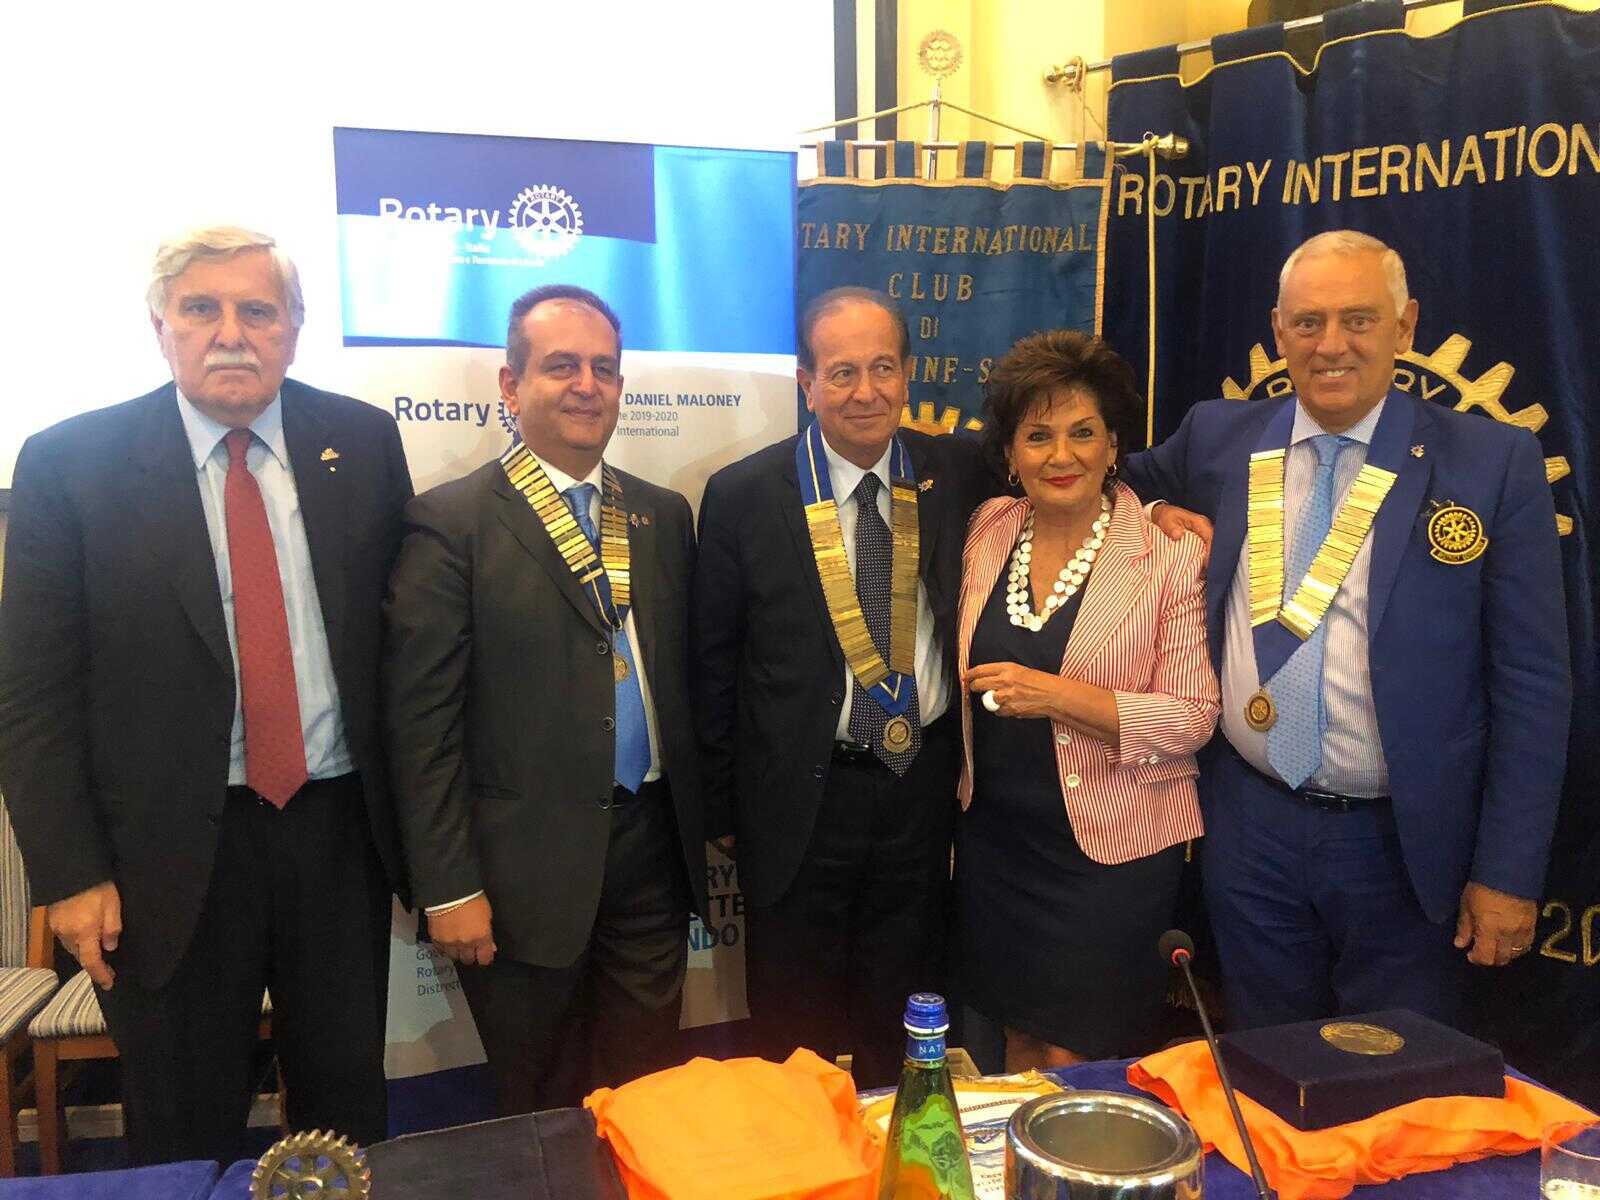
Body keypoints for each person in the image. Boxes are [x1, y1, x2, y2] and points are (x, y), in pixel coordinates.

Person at [0, 227, 411, 1163]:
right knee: (183, 1123)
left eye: (257, 311)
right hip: (162, 858)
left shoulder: (361, 442)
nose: (232, 333)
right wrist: (69, 874)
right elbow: (32, 695)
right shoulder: (70, 462)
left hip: (337, 834)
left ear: (293, 329)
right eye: (202, 309)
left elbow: (398, 651)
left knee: (346, 1109)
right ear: (161, 327)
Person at [1123, 229, 1571, 1029]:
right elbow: (1102, 483)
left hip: (1404, 844)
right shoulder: (1218, 436)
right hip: (1250, 824)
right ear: (1278, 331)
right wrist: (1156, 509)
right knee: (1265, 1060)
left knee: (1396, 1080)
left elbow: (1533, 685)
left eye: (1358, 320)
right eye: (1308, 322)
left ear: (1406, 326)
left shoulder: (1491, 463)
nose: (1331, 345)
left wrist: (1507, 872)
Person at [384, 284, 706, 1115]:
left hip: (651, 851)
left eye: (604, 368)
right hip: (520, 874)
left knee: (645, 1099)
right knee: (541, 1108)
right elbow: (422, 726)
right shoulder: (450, 523)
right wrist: (448, 887)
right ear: (510, 384)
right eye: (562, 366)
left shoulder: (662, 515)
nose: (587, 385)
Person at [693, 287, 991, 1088]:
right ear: (807, 383)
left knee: (906, 1021)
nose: (866, 391)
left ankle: (895, 1143)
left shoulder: (958, 471)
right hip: (798, 801)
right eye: (843, 371)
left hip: (919, 791)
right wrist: (724, 814)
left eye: (883, 368)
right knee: (792, 1035)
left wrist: (1160, 508)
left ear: (908, 374)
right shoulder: (744, 495)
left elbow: (1074, 474)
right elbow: (714, 665)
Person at [955, 330, 1218, 1069]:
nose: (1060, 455)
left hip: (1112, 857)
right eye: (1037, 436)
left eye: (1082, 433)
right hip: (996, 847)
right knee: (1011, 1046)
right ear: (1011, 454)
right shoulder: (986, 528)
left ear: (1113, 446)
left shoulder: (1168, 553)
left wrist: (1057, 696)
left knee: (1079, 1062)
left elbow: (1193, 717)